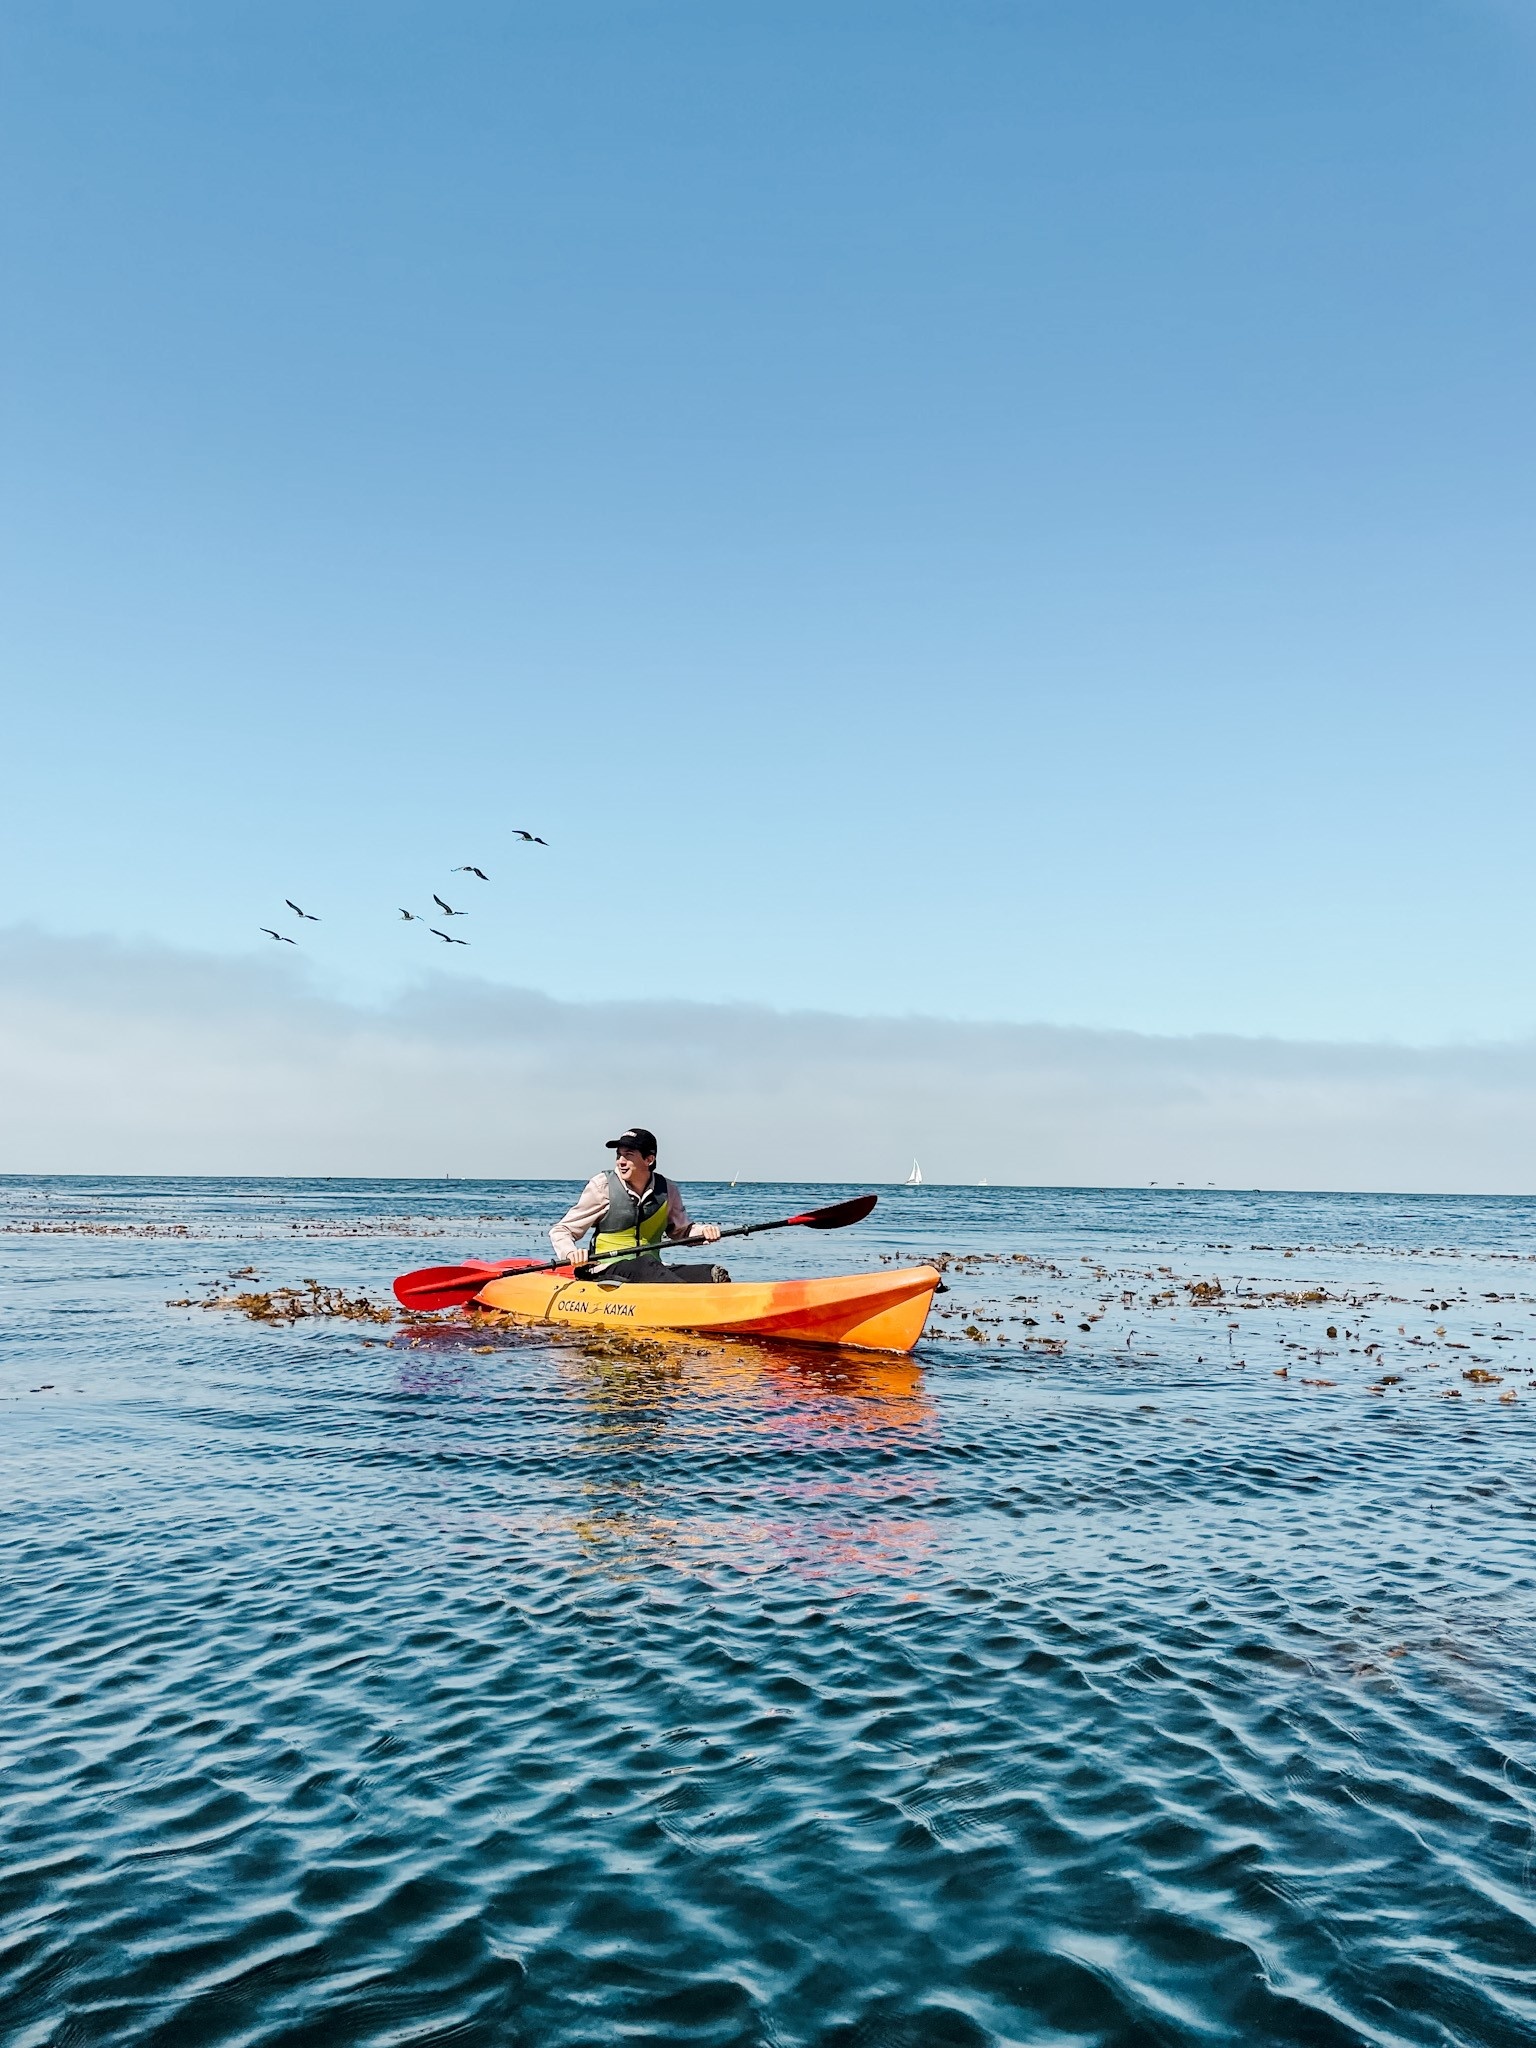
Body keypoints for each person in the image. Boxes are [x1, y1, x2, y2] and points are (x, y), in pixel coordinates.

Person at [551, 1127, 729, 1283]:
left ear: (649, 1160)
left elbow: (682, 1231)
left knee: (711, 1273)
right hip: (604, 1269)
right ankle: (682, 1300)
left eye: (628, 1155)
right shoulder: (602, 1187)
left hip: (653, 1270)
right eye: (619, 1155)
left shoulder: (668, 1190)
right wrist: (570, 1253)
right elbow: (562, 1230)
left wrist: (704, 1232)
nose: (620, 1161)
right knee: (645, 1265)